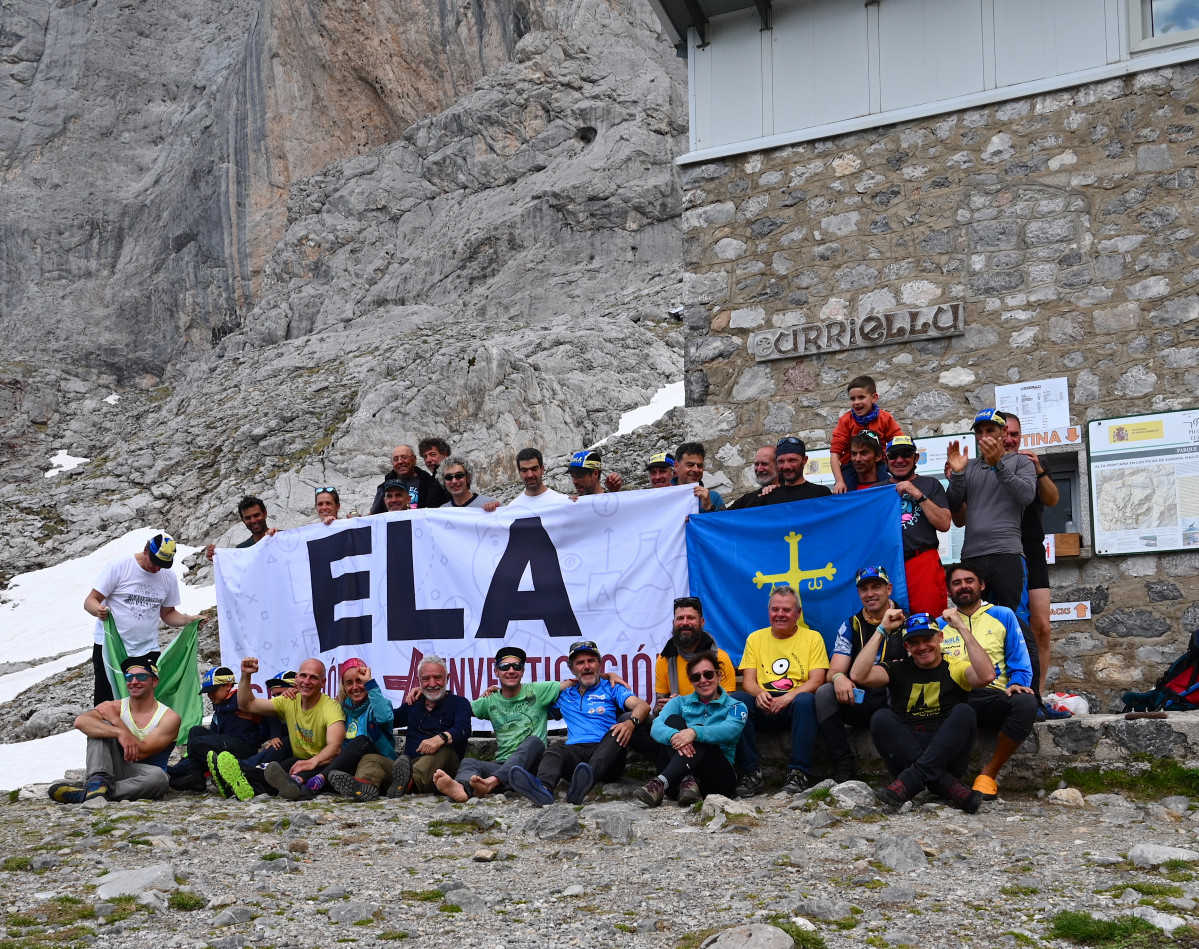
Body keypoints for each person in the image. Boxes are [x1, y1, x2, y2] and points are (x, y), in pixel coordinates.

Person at [850, 610, 995, 813]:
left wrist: (962, 627)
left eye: (927, 639)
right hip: (906, 755)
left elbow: (987, 675)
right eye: (914, 642)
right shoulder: (898, 669)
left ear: (940, 638)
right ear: (907, 647)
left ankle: (912, 781)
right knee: (880, 717)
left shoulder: (955, 667)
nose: (922, 647)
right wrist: (881, 629)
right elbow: (858, 674)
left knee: (965, 712)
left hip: (945, 756)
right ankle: (949, 787)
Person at [507, 640, 651, 806]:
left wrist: (630, 723)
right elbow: (531, 702)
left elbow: (643, 706)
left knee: (616, 732)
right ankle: (543, 790)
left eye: (591, 661)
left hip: (608, 754)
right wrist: (502, 691)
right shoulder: (565, 695)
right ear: (572, 669)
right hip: (576, 755)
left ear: (599, 664)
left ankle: (586, 779)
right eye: (580, 663)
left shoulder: (612, 687)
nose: (586, 666)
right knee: (554, 750)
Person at [939, 562, 1037, 800]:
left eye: (969, 581)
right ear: (949, 591)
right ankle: (943, 778)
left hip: (994, 695)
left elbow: (1020, 658)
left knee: (1026, 703)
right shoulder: (939, 623)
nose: (963, 586)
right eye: (956, 583)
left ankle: (988, 773)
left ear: (981, 585)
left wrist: (1018, 681)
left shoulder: (1003, 615)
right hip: (955, 699)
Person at [83, 532, 206, 706]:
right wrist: (98, 610)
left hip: (147, 649)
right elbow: (90, 601)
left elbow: (168, 613)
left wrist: (189, 620)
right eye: (155, 563)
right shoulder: (119, 567)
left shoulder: (168, 576)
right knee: (107, 701)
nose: (157, 569)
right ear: (146, 551)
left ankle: (142, 733)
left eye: (163, 565)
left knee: (146, 702)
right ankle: (106, 733)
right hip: (111, 647)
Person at [731, 584, 829, 796]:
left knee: (805, 700)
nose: (780, 614)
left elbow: (817, 680)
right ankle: (751, 774)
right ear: (769, 611)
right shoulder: (755, 638)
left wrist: (788, 697)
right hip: (763, 702)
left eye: (786, 610)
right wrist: (758, 693)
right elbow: (748, 681)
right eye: (775, 609)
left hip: (795, 704)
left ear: (798, 613)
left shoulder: (813, 638)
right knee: (738, 700)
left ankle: (798, 773)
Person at [814, 567, 906, 782]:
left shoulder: (908, 621)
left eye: (876, 587)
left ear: (889, 589)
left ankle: (904, 767)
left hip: (895, 699)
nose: (870, 593)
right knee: (824, 693)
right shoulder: (850, 625)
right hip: (861, 697)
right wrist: (838, 677)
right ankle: (844, 765)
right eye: (863, 589)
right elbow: (834, 671)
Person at [432, 647, 560, 802]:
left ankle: (490, 783)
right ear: (496, 671)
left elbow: (576, 682)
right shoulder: (490, 700)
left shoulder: (538, 691)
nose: (511, 671)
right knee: (469, 762)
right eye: (505, 667)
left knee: (534, 741)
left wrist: (598, 674)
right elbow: (458, 707)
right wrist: (428, 691)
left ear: (523, 671)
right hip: (502, 765)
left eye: (516, 666)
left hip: (532, 767)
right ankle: (462, 788)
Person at [49, 656, 181, 804]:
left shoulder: (168, 717)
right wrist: (119, 732)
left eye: (142, 676)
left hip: (144, 774)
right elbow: (81, 721)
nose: (134, 682)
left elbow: (142, 752)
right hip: (111, 769)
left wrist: (116, 721)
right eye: (129, 677)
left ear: (154, 681)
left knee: (159, 778)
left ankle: (90, 794)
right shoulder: (114, 707)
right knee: (100, 726)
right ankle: (97, 783)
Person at [211, 657, 346, 801]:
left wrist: (313, 761)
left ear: (323, 682)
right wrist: (246, 675)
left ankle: (235, 774)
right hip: (299, 760)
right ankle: (237, 781)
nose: (306, 681)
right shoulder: (289, 700)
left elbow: (335, 746)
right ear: (296, 678)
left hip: (323, 764)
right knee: (271, 773)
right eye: (303, 675)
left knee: (276, 774)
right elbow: (247, 705)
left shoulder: (331, 707)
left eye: (313, 677)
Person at [945, 409, 1037, 613]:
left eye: (990, 430)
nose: (984, 436)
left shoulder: (1021, 462)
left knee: (1015, 620)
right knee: (975, 621)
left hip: (1006, 552)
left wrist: (998, 466)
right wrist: (958, 475)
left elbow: (1027, 495)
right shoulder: (968, 466)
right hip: (972, 555)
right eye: (979, 431)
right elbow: (953, 507)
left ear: (1003, 432)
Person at [637, 651, 748, 807]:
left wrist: (695, 733)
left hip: (718, 781)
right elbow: (656, 727)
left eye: (708, 674)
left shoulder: (736, 706)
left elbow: (730, 730)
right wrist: (676, 735)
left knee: (701, 734)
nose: (703, 680)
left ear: (719, 676)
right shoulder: (679, 702)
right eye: (696, 677)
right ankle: (687, 780)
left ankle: (660, 783)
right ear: (691, 681)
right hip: (677, 784)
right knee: (673, 721)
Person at [1002, 412, 1059, 690]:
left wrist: (1039, 470)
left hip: (1031, 547)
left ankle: (1038, 691)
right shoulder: (982, 466)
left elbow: (1053, 499)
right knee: (1002, 626)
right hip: (1000, 551)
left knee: (1041, 628)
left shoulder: (1033, 461)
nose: (1010, 440)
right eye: (1005, 434)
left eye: (1015, 434)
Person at [167, 665, 267, 793]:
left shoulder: (241, 699)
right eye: (208, 692)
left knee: (198, 743)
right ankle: (194, 775)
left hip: (244, 746)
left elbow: (269, 717)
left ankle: (216, 775)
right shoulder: (219, 706)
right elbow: (213, 734)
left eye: (213, 690)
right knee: (195, 731)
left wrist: (275, 735)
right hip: (225, 744)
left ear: (227, 685)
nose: (210, 695)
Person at [885, 436, 952, 616]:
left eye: (906, 454)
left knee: (930, 621)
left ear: (916, 458)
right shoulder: (876, 490)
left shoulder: (930, 484)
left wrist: (916, 493)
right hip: (889, 564)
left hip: (922, 561)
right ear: (886, 460)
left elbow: (945, 523)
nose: (899, 460)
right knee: (892, 625)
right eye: (893, 456)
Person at [388, 656, 473, 796]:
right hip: (408, 765)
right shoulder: (414, 703)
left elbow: (464, 728)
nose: (432, 684)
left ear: (447, 678)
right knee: (372, 760)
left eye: (438, 677)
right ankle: (365, 785)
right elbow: (387, 719)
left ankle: (407, 783)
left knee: (443, 750)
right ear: (418, 681)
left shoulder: (459, 703)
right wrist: (370, 691)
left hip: (441, 767)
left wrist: (440, 739)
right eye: (426, 679)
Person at [325, 659, 398, 802]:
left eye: (360, 681)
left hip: (380, 766)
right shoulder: (340, 709)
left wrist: (370, 684)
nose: (355, 687)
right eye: (349, 683)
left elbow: (385, 718)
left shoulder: (379, 704)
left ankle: (362, 787)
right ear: (343, 687)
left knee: (362, 743)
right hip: (351, 766)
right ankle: (302, 785)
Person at [654, 597, 736, 713]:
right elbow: (657, 710)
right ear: (673, 623)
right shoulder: (664, 659)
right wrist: (665, 706)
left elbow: (728, 707)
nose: (685, 623)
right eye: (680, 618)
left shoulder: (720, 658)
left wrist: (684, 705)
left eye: (691, 618)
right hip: (676, 722)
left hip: (711, 723)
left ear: (701, 622)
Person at [830, 375, 905, 494]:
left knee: (889, 489)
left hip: (879, 463)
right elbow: (835, 454)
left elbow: (900, 442)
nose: (856, 402)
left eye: (861, 397)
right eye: (852, 399)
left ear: (874, 397)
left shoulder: (885, 418)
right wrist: (839, 481)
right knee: (845, 494)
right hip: (850, 465)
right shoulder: (845, 421)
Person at [742, 437, 832, 507]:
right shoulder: (768, 496)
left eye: (792, 460)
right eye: (781, 461)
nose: (786, 467)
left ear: (805, 460)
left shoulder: (821, 493)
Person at [369, 444, 450, 514]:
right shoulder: (383, 488)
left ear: (414, 460)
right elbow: (373, 515)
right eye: (395, 459)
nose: (400, 462)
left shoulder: (430, 483)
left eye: (404, 457)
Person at [486, 448, 569, 511]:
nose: (530, 475)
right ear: (519, 473)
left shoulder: (563, 502)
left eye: (534, 469)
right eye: (524, 470)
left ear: (542, 469)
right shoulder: (513, 508)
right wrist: (490, 512)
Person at [205, 496, 274, 560]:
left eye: (256, 515)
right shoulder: (241, 549)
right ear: (243, 520)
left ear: (265, 514)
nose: (253, 521)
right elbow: (235, 570)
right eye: (248, 518)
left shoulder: (282, 538)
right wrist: (217, 559)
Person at [676, 441, 724, 512]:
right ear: (676, 466)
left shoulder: (714, 497)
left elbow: (725, 522)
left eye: (700, 466)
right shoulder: (665, 495)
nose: (696, 470)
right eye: (690, 465)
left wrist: (709, 507)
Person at [728, 446, 776, 510]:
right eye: (756, 464)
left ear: (777, 465)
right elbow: (722, 517)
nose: (759, 469)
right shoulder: (746, 500)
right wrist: (710, 507)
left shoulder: (788, 495)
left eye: (764, 464)